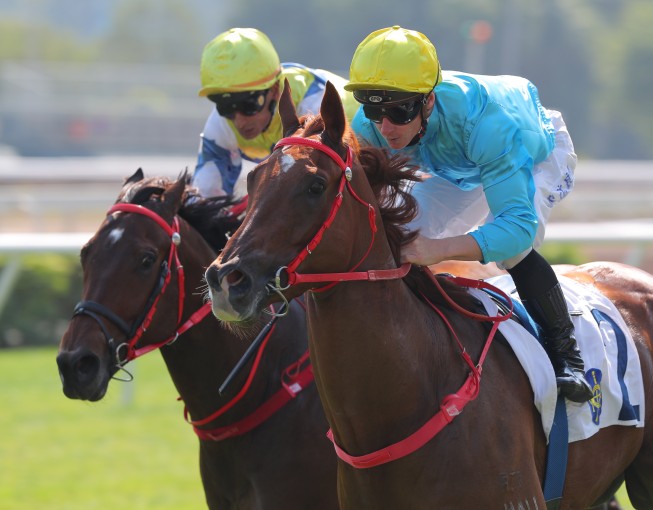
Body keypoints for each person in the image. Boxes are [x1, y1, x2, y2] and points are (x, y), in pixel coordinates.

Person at [344, 26, 592, 403]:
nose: (385, 127)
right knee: (401, 232)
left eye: (398, 110)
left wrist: (439, 250)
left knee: (512, 250)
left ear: (427, 101)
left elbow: (517, 229)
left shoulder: (488, 125)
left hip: (533, 154)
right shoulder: (370, 128)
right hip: (458, 167)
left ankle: (568, 357)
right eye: (374, 108)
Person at [194, 27, 360, 198]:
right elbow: (206, 195)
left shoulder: (313, 106)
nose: (239, 122)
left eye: (248, 105)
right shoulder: (221, 122)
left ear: (274, 90)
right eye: (226, 106)